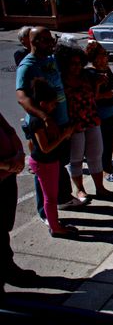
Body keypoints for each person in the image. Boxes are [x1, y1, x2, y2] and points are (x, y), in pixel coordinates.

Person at [16, 26, 85, 216]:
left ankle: (63, 199)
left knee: (59, 164)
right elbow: (22, 97)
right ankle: (45, 213)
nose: (51, 44)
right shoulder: (27, 66)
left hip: (62, 122)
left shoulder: (50, 60)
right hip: (45, 126)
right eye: (46, 41)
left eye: (52, 40)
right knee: (44, 170)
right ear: (34, 42)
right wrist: (45, 117)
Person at [56, 39, 113, 199]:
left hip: (91, 119)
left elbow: (93, 97)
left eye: (79, 63)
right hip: (74, 124)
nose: (77, 66)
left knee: (95, 155)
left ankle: (100, 187)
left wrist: (98, 85)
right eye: (73, 64)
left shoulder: (86, 76)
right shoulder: (60, 80)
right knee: (76, 158)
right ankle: (80, 189)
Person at [25, 79, 78, 237]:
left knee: (51, 196)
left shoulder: (44, 117)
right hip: (44, 163)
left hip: (49, 162)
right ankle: (55, 228)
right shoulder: (37, 121)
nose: (55, 106)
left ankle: (55, 224)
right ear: (42, 103)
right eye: (53, 104)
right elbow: (45, 148)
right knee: (50, 198)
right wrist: (64, 135)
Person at [0, 110, 38, 294]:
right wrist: (7, 164)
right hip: (6, 169)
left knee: (3, 228)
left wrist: (20, 153)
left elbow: (9, 130)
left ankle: (7, 268)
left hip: (6, 177)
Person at [85, 40, 113, 182]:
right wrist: (103, 94)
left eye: (105, 54)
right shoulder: (90, 73)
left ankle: (108, 165)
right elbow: (89, 97)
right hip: (100, 114)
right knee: (101, 143)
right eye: (102, 54)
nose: (105, 57)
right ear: (94, 57)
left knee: (110, 141)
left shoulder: (106, 70)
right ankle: (104, 170)